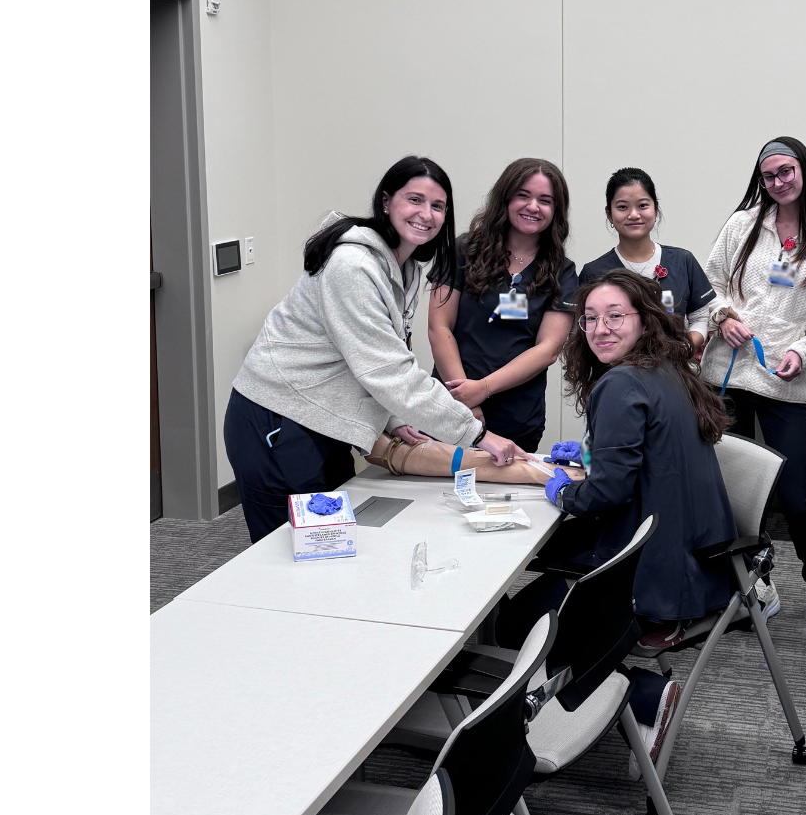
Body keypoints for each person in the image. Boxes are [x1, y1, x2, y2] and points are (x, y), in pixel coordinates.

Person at [501, 269, 738, 778]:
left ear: (644, 320)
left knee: (516, 622)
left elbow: (607, 494)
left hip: (653, 575)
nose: (600, 329)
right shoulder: (668, 368)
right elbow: (649, 453)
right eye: (589, 319)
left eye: (615, 316)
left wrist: (563, 490)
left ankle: (644, 695)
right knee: (544, 579)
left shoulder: (621, 383)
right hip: (698, 559)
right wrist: (593, 454)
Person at [225, 156, 526, 543]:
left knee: (331, 539)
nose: (426, 214)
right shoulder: (352, 266)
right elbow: (388, 371)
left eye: (437, 206)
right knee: (293, 547)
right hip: (279, 417)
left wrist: (392, 417)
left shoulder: (405, 267)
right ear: (386, 202)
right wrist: (478, 434)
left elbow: (371, 355)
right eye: (414, 200)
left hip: (323, 417)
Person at [698, 136, 806, 640]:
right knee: (735, 492)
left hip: (785, 382)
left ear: (804, 171)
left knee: (797, 495)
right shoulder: (742, 226)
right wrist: (724, 318)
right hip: (728, 375)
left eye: (786, 171)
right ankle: (755, 583)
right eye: (768, 176)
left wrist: (803, 352)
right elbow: (708, 287)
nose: (778, 182)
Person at [428, 158, 578, 453]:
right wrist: (465, 400)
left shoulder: (562, 271)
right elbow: (438, 326)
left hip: (517, 417)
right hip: (452, 408)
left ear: (556, 210)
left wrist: (482, 389)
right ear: (505, 198)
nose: (533, 206)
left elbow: (548, 349)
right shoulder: (464, 250)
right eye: (523, 195)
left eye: (545, 200)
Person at [577, 167, 715, 354]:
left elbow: (700, 317)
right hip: (614, 370)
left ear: (655, 209)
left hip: (673, 368)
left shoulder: (683, 261)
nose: (634, 214)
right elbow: (583, 330)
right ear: (609, 214)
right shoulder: (594, 272)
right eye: (622, 207)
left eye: (642, 205)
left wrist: (681, 349)